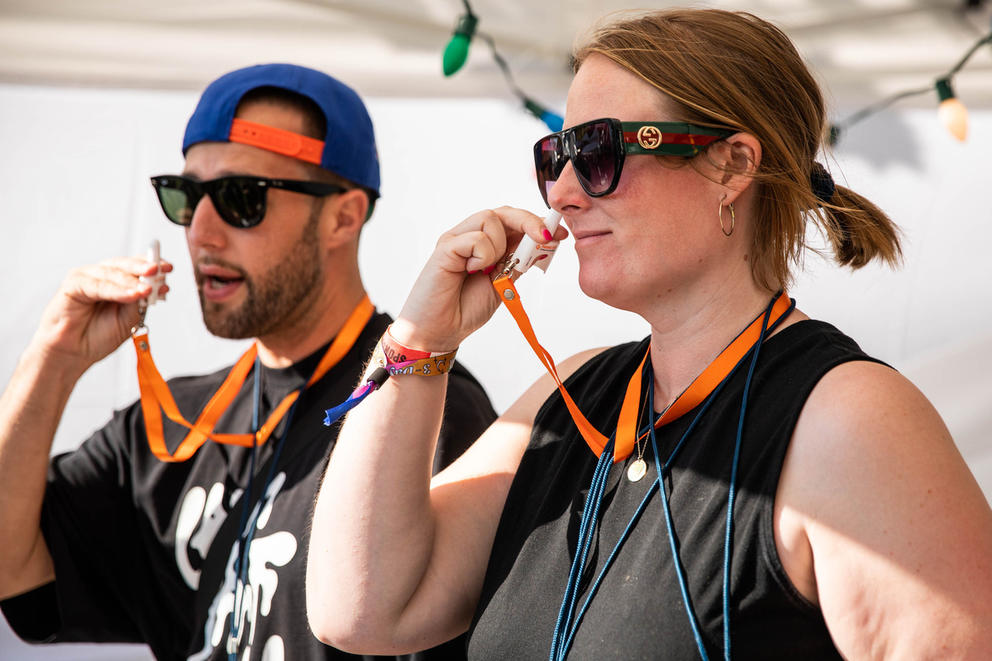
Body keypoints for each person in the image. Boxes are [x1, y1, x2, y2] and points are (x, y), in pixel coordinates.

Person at [306, 9, 992, 660]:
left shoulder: (848, 419)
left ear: (731, 166)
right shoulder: (571, 392)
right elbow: (361, 609)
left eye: (598, 151)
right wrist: (421, 338)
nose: (563, 192)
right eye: (556, 154)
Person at [0, 63, 496, 660]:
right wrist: (50, 360)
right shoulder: (169, 427)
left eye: (241, 198)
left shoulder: (422, 401)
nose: (201, 233)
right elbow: (15, 574)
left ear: (344, 215)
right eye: (184, 196)